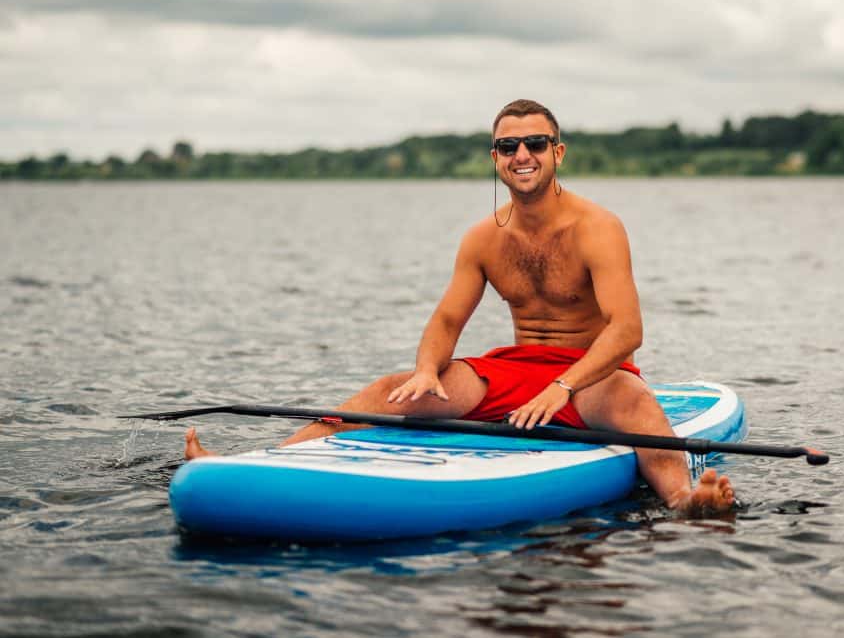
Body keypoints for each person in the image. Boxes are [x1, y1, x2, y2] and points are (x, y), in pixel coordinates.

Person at [185, 99, 735, 516]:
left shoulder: (598, 228)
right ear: (494, 157)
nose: (522, 155)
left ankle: (687, 501)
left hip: (591, 377)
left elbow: (626, 331)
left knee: (639, 408)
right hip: (516, 372)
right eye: (508, 147)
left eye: (536, 144)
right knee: (386, 391)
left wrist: (563, 386)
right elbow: (448, 320)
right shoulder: (483, 238)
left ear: (557, 153)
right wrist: (427, 369)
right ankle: (259, 465)